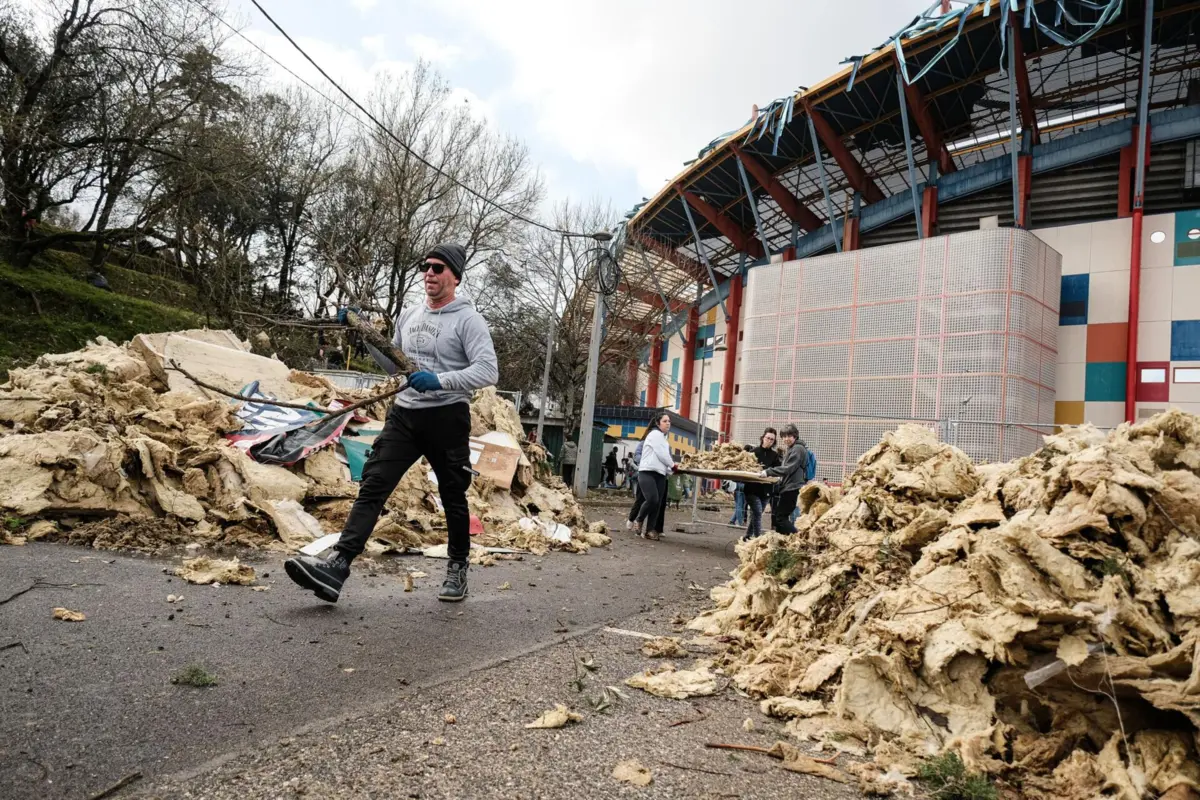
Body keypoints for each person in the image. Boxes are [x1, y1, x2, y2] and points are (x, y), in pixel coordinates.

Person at [284, 242, 497, 604]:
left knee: (452, 495)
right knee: (374, 485)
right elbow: (395, 367)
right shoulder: (411, 316)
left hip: (447, 417)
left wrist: (441, 380)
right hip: (405, 415)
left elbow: (488, 369)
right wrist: (366, 336)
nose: (429, 273)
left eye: (438, 268)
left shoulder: (468, 320)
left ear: (455, 276)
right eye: (425, 266)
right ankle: (338, 566)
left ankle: (457, 568)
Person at [634, 411, 676, 540]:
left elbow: (664, 458)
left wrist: (671, 470)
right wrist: (673, 465)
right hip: (647, 472)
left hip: (660, 474)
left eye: (669, 421)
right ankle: (639, 519)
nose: (668, 423)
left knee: (657, 504)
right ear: (658, 423)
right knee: (652, 499)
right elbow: (662, 455)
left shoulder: (664, 439)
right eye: (665, 421)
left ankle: (650, 530)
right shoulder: (655, 434)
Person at [761, 424, 810, 535]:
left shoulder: (797, 449)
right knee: (780, 519)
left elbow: (788, 468)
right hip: (789, 487)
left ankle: (798, 539)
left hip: (793, 488)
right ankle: (784, 543)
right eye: (784, 436)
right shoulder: (792, 448)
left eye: (789, 436)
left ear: (795, 436)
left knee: (780, 518)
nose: (786, 439)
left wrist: (768, 472)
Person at [743, 428, 780, 541]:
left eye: (772, 439)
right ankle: (758, 540)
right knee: (758, 513)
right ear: (763, 437)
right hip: (752, 489)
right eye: (768, 438)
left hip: (767, 490)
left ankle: (748, 536)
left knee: (756, 514)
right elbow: (746, 467)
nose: (769, 441)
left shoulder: (775, 455)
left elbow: (778, 469)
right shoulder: (753, 452)